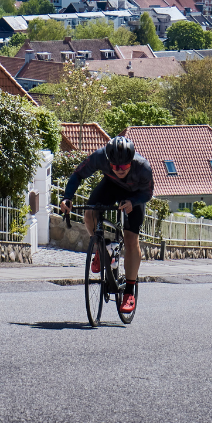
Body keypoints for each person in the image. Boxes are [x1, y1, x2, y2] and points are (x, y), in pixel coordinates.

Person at [58, 136, 154, 317]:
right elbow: (78, 174)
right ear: (108, 161)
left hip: (135, 196)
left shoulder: (143, 167)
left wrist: (133, 202)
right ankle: (100, 249)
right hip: (110, 187)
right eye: (115, 166)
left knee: (131, 239)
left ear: (131, 161)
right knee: (89, 214)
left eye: (124, 166)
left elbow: (148, 193)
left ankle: (129, 292)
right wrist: (67, 197)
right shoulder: (99, 157)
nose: (119, 170)